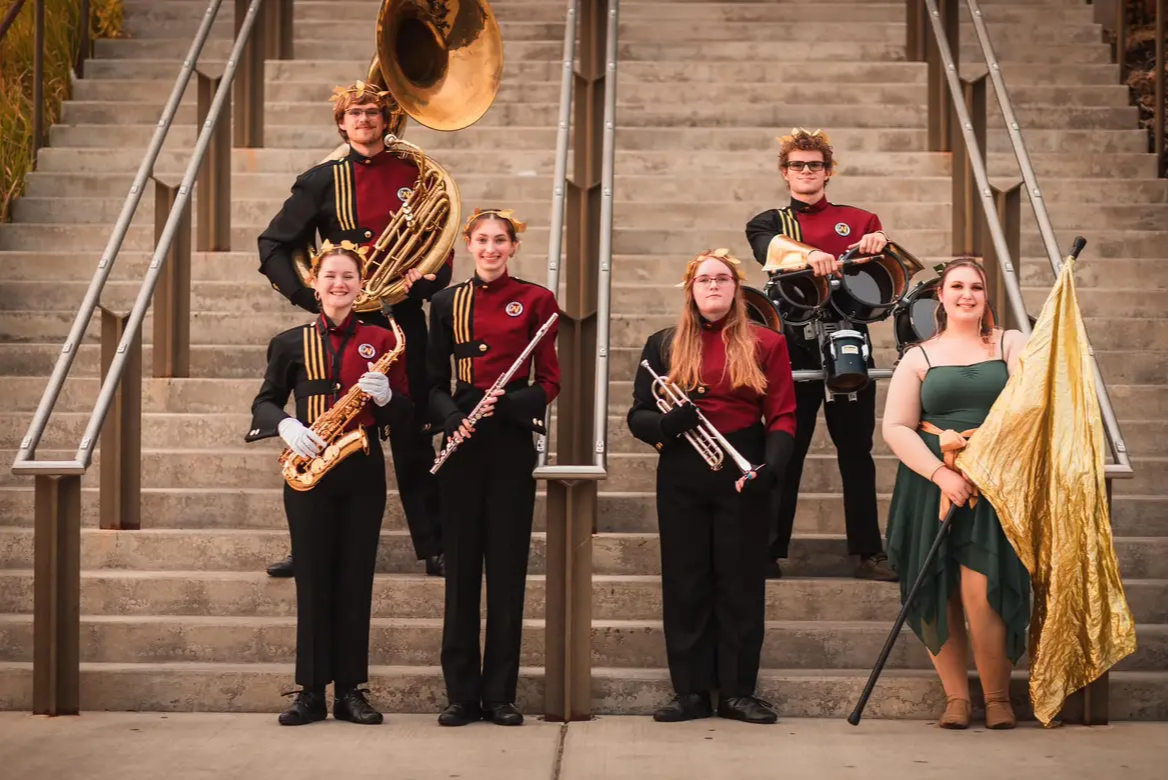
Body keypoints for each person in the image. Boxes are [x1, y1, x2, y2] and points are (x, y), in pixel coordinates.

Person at [257, 80, 449, 579]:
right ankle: (309, 545)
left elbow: (442, 255)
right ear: (341, 123)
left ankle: (434, 546)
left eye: (373, 111)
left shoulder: (417, 174)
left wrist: (423, 279)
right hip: (339, 322)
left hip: (402, 319)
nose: (364, 119)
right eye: (355, 113)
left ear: (387, 119)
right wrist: (311, 296)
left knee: (413, 435)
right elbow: (272, 245)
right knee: (325, 428)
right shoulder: (322, 180)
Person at [246, 241, 413, 726]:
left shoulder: (382, 340)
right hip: (309, 473)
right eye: (331, 276)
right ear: (315, 285)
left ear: (361, 287)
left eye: (349, 277)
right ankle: (311, 692)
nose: (340, 284)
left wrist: (385, 400)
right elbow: (264, 401)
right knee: (313, 578)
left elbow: (405, 413)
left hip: (361, 467)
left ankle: (351, 692)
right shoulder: (289, 342)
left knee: (356, 578)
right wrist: (285, 426)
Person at [627, 249, 797, 725]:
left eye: (723, 279)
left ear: (736, 289)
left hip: (743, 469)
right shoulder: (662, 344)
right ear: (692, 289)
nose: (714, 286)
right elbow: (637, 415)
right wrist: (666, 424)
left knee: (740, 582)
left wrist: (772, 467)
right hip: (683, 467)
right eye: (704, 280)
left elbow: (782, 415)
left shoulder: (766, 342)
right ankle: (691, 691)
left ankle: (739, 692)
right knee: (685, 581)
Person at [882, 258, 1031, 730]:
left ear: (987, 297)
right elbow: (896, 427)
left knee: (983, 587)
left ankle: (997, 696)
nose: (967, 294)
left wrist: (986, 459)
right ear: (940, 297)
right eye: (957, 287)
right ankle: (956, 698)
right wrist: (940, 474)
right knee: (937, 584)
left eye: (976, 287)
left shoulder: (1011, 343)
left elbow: (1033, 406)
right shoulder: (919, 356)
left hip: (995, 479)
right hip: (931, 482)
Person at [426, 208, 561, 726]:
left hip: (508, 443)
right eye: (481, 240)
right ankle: (461, 693)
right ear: (468, 244)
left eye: (499, 240)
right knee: (461, 571)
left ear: (512, 247)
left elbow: (549, 380)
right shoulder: (445, 302)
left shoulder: (537, 301)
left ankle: (499, 694)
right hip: (460, 442)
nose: (490, 249)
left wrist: (509, 404)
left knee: (506, 570)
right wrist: (453, 416)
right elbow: (432, 382)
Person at [745, 128, 897, 582]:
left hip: (848, 336)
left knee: (856, 452)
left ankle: (869, 553)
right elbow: (770, 253)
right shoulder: (768, 222)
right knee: (785, 447)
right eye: (797, 165)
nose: (806, 172)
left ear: (828, 171)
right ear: (784, 173)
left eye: (814, 165)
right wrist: (813, 254)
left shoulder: (862, 218)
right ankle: (769, 551)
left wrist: (879, 243)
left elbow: (884, 275)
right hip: (792, 343)